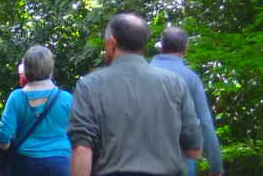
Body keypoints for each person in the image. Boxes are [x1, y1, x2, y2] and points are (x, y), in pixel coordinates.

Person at [68, 13, 202, 176]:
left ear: (112, 42)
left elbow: (82, 148)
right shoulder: (175, 83)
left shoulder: (89, 85)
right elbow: (194, 150)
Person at [150, 27, 224, 176]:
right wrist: (216, 167)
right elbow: (205, 123)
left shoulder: (142, 72)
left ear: (161, 47)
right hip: (181, 161)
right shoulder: (190, 78)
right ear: (185, 49)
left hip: (141, 161)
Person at [0, 45, 72, 176]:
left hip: (26, 164)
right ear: (51, 69)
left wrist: (7, 148)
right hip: (61, 163)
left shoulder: (17, 97)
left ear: (25, 69)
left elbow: (3, 135)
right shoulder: (66, 98)